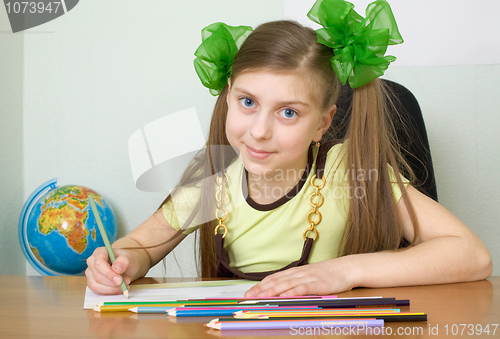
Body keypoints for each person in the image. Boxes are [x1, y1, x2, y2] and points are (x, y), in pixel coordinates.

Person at [86, 0, 492, 297]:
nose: (259, 131)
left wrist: (345, 272)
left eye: (288, 113)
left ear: (323, 123)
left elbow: (472, 255)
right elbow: (139, 246)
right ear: (228, 97)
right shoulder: (215, 180)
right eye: (247, 103)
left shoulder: (347, 171)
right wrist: (119, 263)